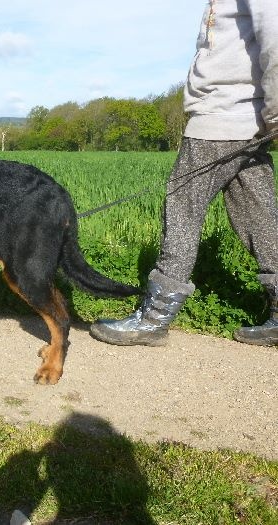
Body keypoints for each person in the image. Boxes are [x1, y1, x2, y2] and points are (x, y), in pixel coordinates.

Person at [90, 0, 278, 347]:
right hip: (245, 122)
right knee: (258, 217)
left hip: (221, 117)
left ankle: (154, 318)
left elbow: (274, 32)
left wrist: (276, 113)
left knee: (182, 210)